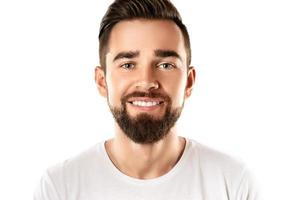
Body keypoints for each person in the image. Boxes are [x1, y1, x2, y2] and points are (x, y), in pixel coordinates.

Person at [34, 0, 260, 199]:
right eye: (128, 65)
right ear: (102, 81)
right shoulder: (59, 187)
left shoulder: (232, 182)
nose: (146, 81)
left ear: (189, 82)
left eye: (165, 65)